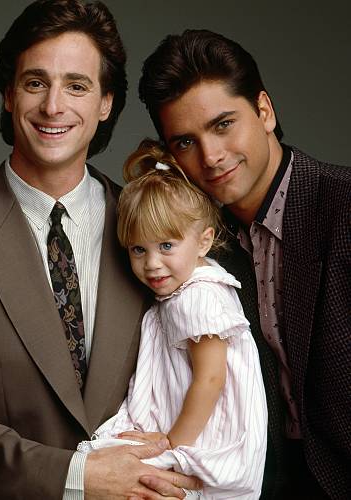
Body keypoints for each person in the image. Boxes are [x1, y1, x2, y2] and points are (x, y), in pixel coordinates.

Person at [0, 1, 200, 498]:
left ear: (105, 103)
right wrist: (74, 477)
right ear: (9, 95)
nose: (54, 106)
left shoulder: (158, 230)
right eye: (35, 83)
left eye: (77, 85)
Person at [138, 29, 351, 499]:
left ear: (265, 111)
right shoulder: (194, 243)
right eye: (186, 142)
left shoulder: (342, 207)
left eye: (222, 125)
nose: (211, 157)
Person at [78, 139, 267, 499]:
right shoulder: (179, 291)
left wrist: (171, 443)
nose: (152, 263)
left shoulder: (199, 295)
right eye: (139, 249)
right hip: (184, 420)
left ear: (203, 241)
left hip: (202, 434)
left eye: (166, 246)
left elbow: (211, 378)